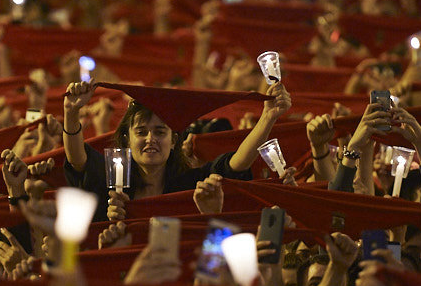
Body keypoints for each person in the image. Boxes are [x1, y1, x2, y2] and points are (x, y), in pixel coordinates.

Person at [61, 80, 292, 221]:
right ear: (127, 140)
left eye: (160, 132)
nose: (151, 139)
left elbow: (236, 164)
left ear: (173, 141)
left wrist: (268, 117)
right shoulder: (112, 179)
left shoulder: (190, 185)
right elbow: (77, 159)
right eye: (141, 132)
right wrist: (71, 113)